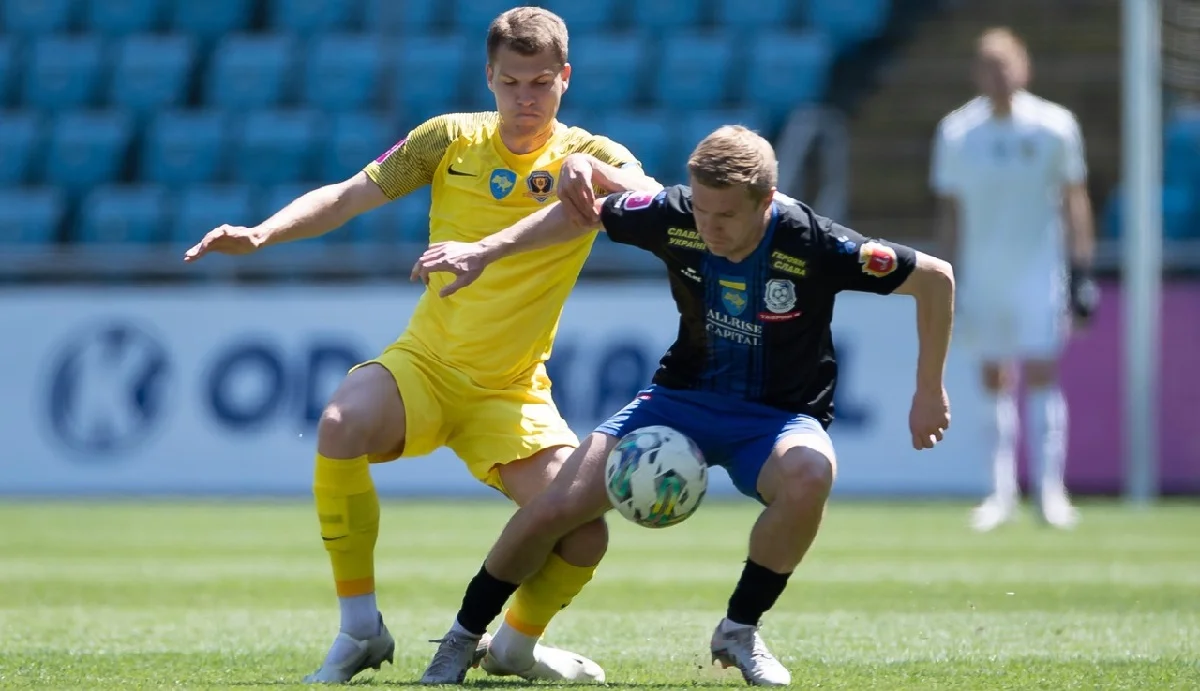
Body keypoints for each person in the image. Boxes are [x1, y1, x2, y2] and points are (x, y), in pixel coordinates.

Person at [183, 7, 660, 684]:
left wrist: (597, 172)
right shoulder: (447, 140)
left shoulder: (594, 153)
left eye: (542, 83)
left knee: (585, 532)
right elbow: (349, 196)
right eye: (512, 82)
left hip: (512, 392)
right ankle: (360, 629)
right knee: (340, 423)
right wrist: (261, 233)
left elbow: (652, 193)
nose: (526, 98)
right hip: (427, 366)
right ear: (489, 78)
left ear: (565, 80)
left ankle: (516, 646)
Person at [412, 125, 956, 686]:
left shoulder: (815, 243)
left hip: (776, 419)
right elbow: (585, 212)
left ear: (766, 202)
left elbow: (936, 279)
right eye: (700, 210)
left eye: (724, 216)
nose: (707, 227)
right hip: (679, 400)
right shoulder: (674, 214)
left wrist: (928, 388)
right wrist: (485, 248)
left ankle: (739, 631)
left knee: (810, 475)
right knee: (554, 509)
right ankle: (461, 639)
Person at [931, 27, 1098, 532]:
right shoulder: (958, 132)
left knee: (1044, 371)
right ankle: (998, 492)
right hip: (983, 275)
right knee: (992, 377)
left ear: (1023, 67)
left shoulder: (1054, 126)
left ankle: (1050, 491)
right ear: (976, 73)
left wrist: (1081, 272)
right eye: (989, 65)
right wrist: (947, 277)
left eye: (1006, 64)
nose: (999, 75)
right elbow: (951, 212)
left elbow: (1074, 200)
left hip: (1038, 272)